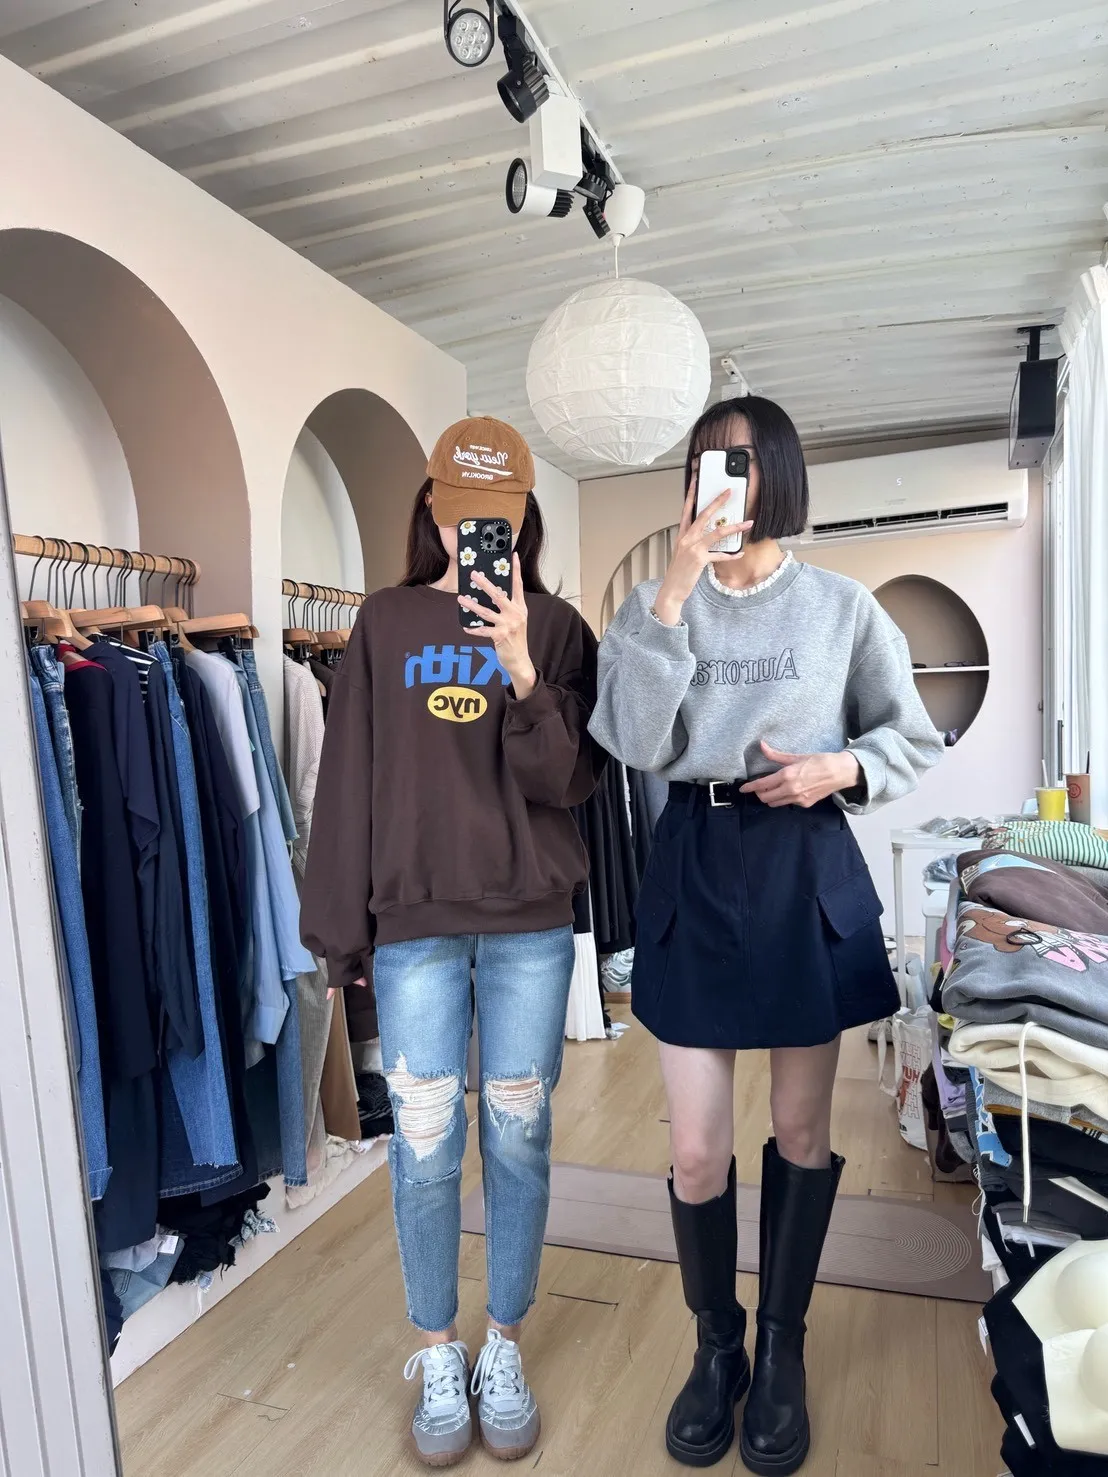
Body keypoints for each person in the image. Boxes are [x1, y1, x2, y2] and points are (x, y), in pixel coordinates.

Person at [589, 397, 943, 1475]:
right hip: (696, 858)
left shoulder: (841, 606)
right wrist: (674, 589)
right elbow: (632, 740)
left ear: (775, 474)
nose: (720, 479)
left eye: (738, 462)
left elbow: (911, 734)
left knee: (799, 1130)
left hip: (800, 866)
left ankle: (783, 1345)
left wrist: (841, 766)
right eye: (705, 462)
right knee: (696, 1148)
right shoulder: (656, 605)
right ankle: (719, 1347)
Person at [301, 416, 604, 1467]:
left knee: (518, 1138)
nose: (480, 531)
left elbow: (568, 782)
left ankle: (503, 1342)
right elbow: (348, 782)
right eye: (464, 513)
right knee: (424, 1146)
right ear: (432, 506)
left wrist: (519, 665)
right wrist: (338, 933)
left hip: (528, 927)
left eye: (499, 518)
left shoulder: (557, 628)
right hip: (416, 928)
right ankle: (439, 1351)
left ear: (522, 518)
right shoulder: (382, 623)